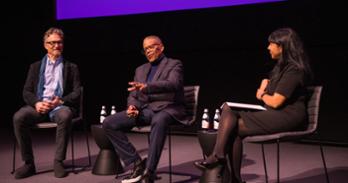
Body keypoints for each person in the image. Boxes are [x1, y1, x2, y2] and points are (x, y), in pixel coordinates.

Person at [194, 27, 313, 183]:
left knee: (232, 123)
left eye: (271, 44)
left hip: (289, 116)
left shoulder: (294, 69)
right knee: (229, 114)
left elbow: (276, 102)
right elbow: (272, 90)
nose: (268, 47)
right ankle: (230, 171)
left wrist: (262, 94)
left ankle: (218, 158)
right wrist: (265, 85)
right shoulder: (280, 68)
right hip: (275, 113)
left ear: (282, 46)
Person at [103, 35, 187, 183]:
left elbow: (173, 84)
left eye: (151, 47)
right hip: (147, 110)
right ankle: (136, 163)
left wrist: (148, 87)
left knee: (159, 119)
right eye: (145, 49)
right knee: (110, 122)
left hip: (169, 107)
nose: (148, 51)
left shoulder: (174, 64)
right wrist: (132, 106)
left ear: (161, 47)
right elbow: (134, 94)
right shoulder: (140, 70)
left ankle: (150, 171)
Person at [13, 27, 81, 179]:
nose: (56, 46)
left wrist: (61, 100)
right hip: (39, 106)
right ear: (45, 45)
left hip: (59, 107)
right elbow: (27, 92)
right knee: (19, 117)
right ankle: (29, 164)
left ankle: (58, 161)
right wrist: (37, 103)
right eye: (52, 43)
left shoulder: (71, 67)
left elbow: (77, 92)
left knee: (65, 115)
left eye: (59, 42)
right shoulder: (35, 67)